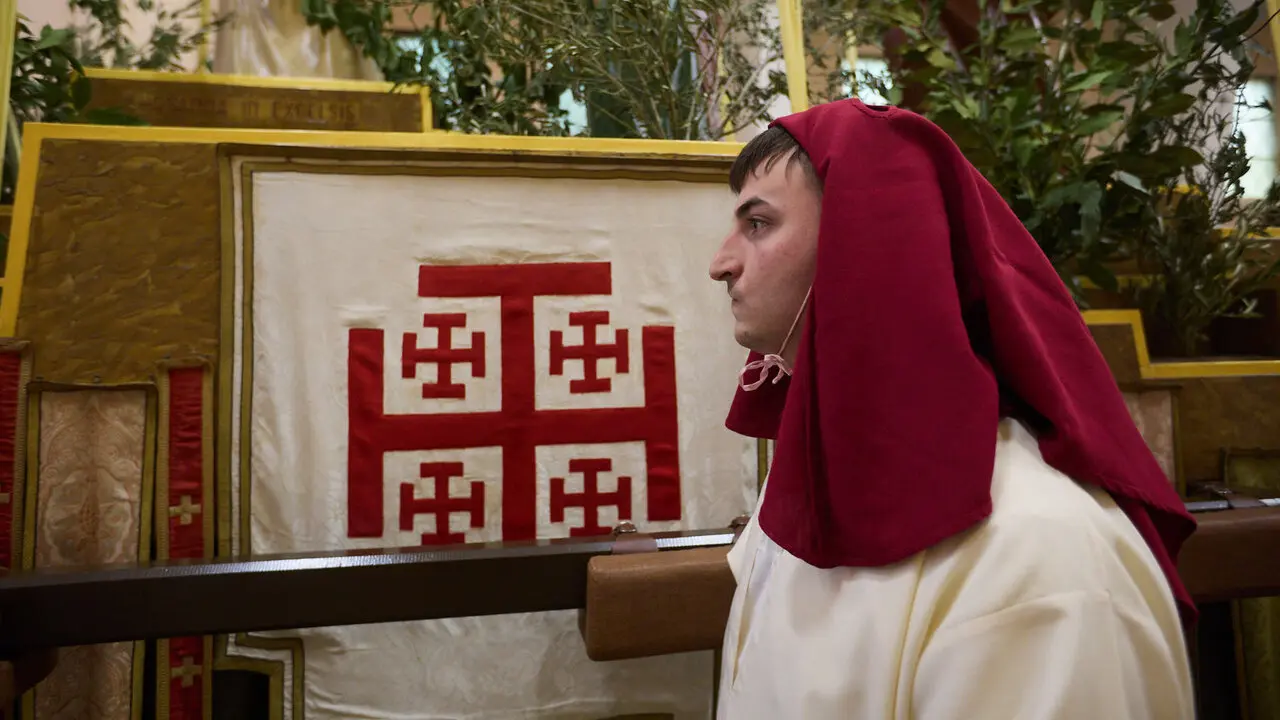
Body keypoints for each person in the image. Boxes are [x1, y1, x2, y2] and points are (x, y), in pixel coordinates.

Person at [708, 98, 1197, 719]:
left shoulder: (1034, 558)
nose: (720, 263)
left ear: (865, 245)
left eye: (758, 224)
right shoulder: (811, 482)